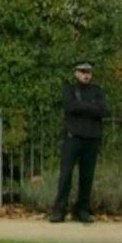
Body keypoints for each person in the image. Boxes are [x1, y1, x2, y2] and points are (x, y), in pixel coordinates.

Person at [50, 60, 107, 223]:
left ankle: (81, 210)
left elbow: (102, 110)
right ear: (76, 73)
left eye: (88, 72)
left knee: (87, 176)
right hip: (73, 138)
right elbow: (70, 107)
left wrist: (82, 107)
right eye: (82, 72)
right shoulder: (69, 90)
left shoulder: (97, 91)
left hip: (92, 139)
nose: (86, 75)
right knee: (66, 175)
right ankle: (59, 210)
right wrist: (90, 108)